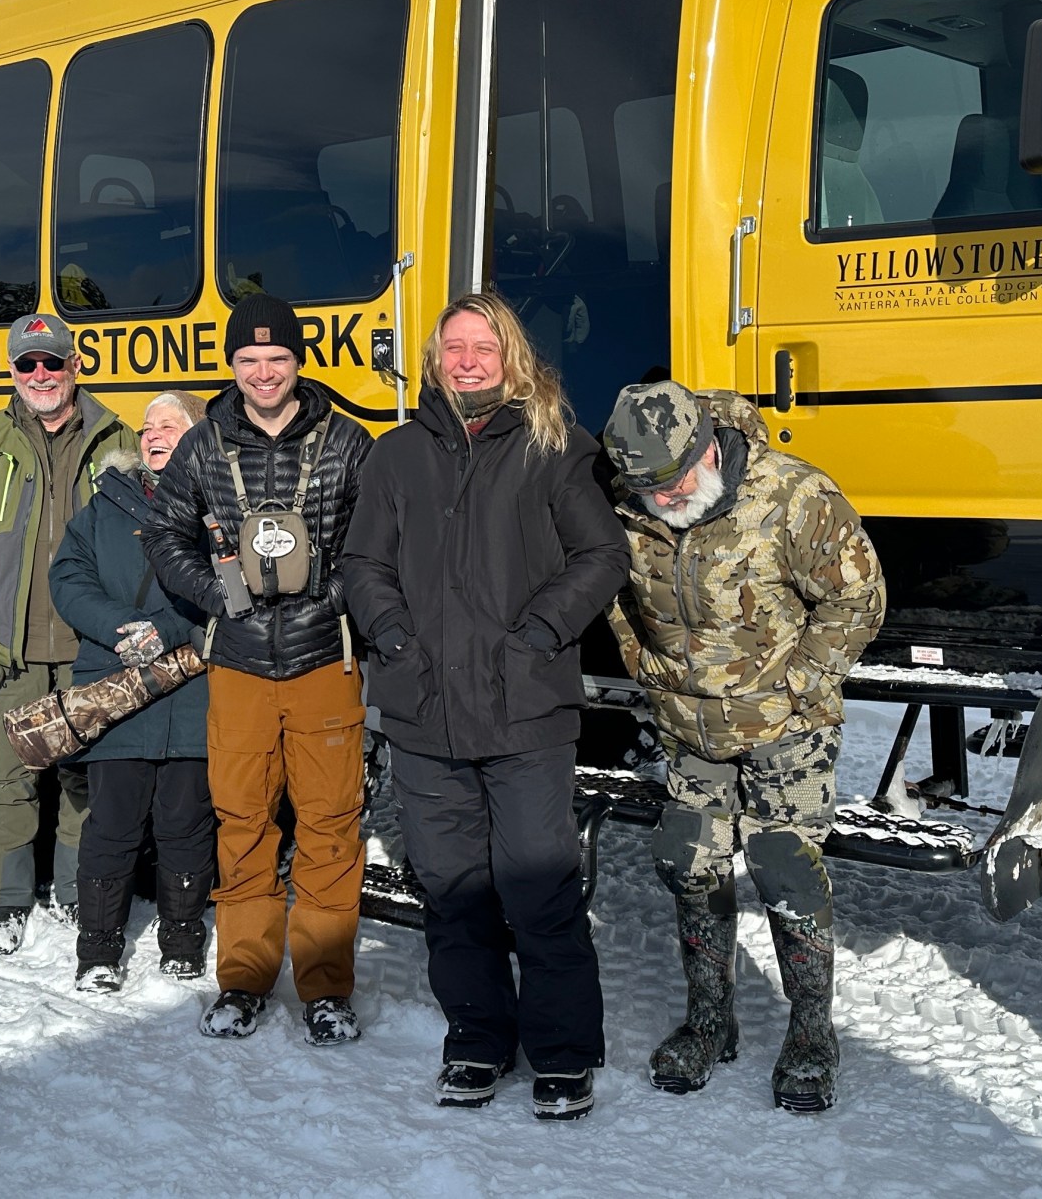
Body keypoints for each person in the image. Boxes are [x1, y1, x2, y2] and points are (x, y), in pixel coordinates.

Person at [341, 293, 628, 1120]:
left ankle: (564, 1053)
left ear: (511, 359)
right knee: (453, 888)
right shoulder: (396, 458)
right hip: (424, 710)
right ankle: (475, 1039)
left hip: (524, 711)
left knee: (538, 886)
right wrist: (393, 638)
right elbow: (364, 564)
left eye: (484, 348)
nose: (467, 361)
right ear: (434, 360)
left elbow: (601, 553)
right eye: (454, 348)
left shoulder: (555, 449)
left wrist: (537, 632)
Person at [599, 381, 885, 1114]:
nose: (668, 498)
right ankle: (708, 1021)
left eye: (679, 479)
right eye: (649, 488)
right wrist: (644, 666)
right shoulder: (627, 501)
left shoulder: (792, 496)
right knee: (689, 866)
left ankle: (813, 1033)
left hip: (787, 728)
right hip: (688, 727)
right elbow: (612, 596)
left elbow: (860, 597)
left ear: (707, 447)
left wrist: (800, 683)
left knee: (786, 871)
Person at [144, 293, 373, 1045]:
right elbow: (164, 535)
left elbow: (379, 543)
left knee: (329, 826)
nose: (264, 372)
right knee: (242, 824)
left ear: (299, 361)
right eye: (249, 359)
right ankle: (243, 978)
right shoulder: (204, 444)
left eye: (277, 358)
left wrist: (329, 595)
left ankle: (326, 985)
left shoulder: (347, 440)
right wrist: (218, 594)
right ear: (232, 365)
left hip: (321, 660)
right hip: (237, 660)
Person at [0, 312, 136, 954]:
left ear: (76, 366)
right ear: (12, 373)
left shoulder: (116, 439)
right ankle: (8, 901)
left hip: (89, 649)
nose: (40, 374)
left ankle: (77, 893)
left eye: (53, 362)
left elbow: (142, 544)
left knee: (84, 780)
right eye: (27, 364)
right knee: (6, 778)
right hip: (5, 651)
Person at [48, 391, 217, 992]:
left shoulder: (222, 507)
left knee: (186, 824)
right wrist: (121, 629)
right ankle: (97, 950)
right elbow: (67, 576)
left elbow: (231, 591)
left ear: (200, 434)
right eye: (147, 426)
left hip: (195, 692)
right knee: (112, 826)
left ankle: (182, 939)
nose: (153, 434)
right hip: (117, 687)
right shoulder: (106, 504)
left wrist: (164, 632)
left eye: (169, 424)